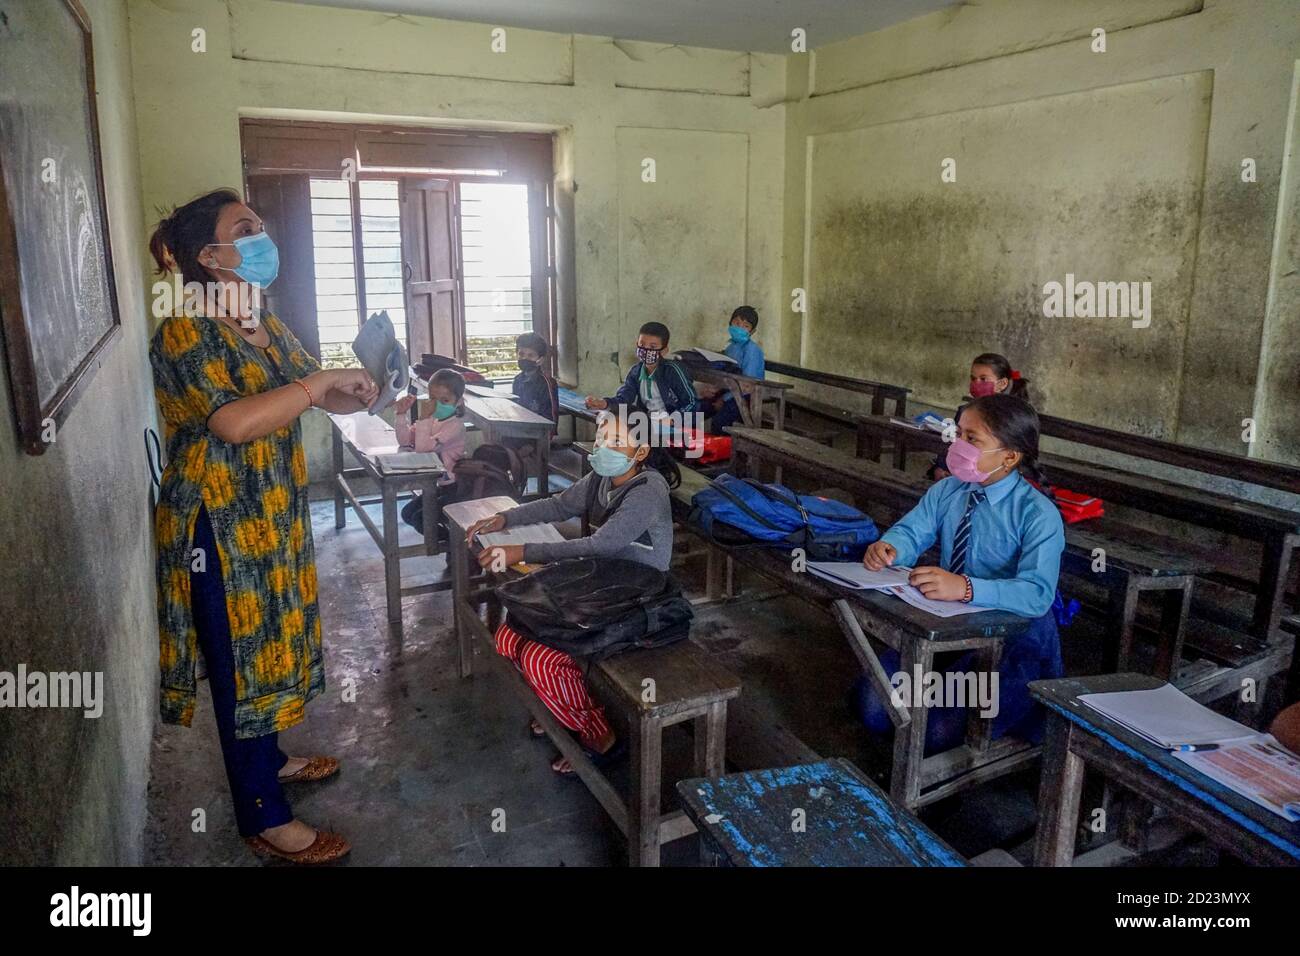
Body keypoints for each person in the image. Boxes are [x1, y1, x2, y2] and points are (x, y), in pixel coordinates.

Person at [149, 188, 382, 863]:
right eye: (245, 228)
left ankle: (270, 759)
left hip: (269, 516)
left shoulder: (262, 322)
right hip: (218, 525)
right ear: (209, 256)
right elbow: (234, 420)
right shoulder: (188, 329)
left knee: (268, 644)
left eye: (261, 225)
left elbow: (305, 385)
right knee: (236, 664)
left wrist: (352, 385)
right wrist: (318, 387)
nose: (262, 238)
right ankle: (263, 816)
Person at [466, 413, 680, 775]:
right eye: (601, 440)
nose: (603, 449)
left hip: (639, 593)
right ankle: (562, 706)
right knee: (509, 636)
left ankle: (600, 738)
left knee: (541, 658)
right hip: (602, 581)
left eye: (616, 443)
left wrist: (523, 551)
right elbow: (559, 505)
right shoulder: (603, 476)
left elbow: (602, 544)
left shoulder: (648, 490)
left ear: (642, 450)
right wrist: (508, 518)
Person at [853, 394, 1065, 753]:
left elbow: (1037, 594)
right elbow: (913, 530)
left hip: (1015, 639)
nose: (958, 446)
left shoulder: (1037, 514)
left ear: (1010, 457)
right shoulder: (948, 489)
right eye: (959, 435)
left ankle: (1018, 720)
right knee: (873, 706)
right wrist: (890, 546)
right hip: (951, 623)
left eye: (972, 439)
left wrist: (966, 588)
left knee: (936, 730)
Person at [929, 352, 1031, 480]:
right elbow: (953, 443)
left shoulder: (1009, 418)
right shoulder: (965, 412)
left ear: (1002, 384)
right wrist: (942, 467)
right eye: (973, 378)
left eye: (983, 379)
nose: (977, 383)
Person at [396, 368, 467, 534]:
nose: (437, 404)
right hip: (438, 485)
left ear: (458, 402)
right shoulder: (434, 420)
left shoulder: (455, 426)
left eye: (445, 400)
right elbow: (405, 441)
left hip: (456, 488)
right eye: (433, 398)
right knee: (407, 514)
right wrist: (400, 415)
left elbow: (423, 449)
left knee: (420, 519)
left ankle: (456, 544)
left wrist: (424, 419)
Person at [584, 321, 697, 417]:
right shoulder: (636, 372)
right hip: (647, 423)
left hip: (674, 426)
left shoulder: (673, 371)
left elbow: (692, 402)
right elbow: (624, 398)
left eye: (652, 347)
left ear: (664, 351)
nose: (646, 350)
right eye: (642, 345)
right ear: (636, 344)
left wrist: (673, 420)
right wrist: (604, 403)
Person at [707, 305, 765, 434]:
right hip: (730, 392)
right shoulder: (731, 347)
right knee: (699, 407)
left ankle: (724, 452)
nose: (739, 327)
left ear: (752, 331)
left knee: (719, 421)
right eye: (736, 323)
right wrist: (715, 391)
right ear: (730, 323)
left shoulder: (752, 350)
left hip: (747, 397)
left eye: (745, 326)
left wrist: (724, 399)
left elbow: (747, 384)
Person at [511, 332, 559, 425]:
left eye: (530, 355)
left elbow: (552, 417)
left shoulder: (547, 383)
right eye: (521, 354)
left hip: (539, 433)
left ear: (540, 360)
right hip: (520, 429)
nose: (524, 358)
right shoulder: (517, 380)